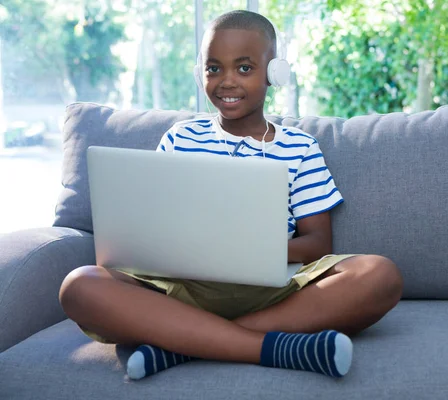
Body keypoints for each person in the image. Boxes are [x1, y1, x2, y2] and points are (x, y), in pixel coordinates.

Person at [59, 10, 403, 380]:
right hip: (180, 287)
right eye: (213, 69)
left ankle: (181, 346)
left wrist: (246, 251)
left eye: (243, 68)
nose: (226, 82)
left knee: (379, 274)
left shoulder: (299, 147)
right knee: (79, 285)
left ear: (275, 73)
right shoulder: (179, 139)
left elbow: (319, 242)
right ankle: (267, 347)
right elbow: (153, 225)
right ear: (200, 73)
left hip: (272, 288)